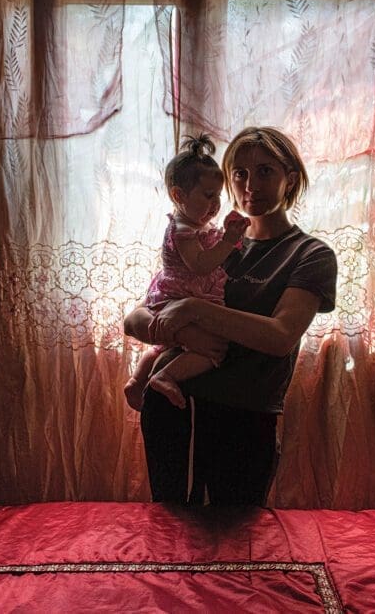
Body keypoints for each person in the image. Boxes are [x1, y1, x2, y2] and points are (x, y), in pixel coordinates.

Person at [123, 126, 337, 506]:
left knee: (237, 545)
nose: (250, 184)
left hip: (244, 419)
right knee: (170, 536)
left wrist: (193, 311)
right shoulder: (211, 242)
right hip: (173, 407)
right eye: (239, 173)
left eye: (266, 171)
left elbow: (280, 336)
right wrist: (163, 327)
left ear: (291, 177)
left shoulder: (310, 255)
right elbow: (138, 319)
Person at [122, 135, 250, 412]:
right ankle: (164, 376)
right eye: (208, 195)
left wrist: (229, 236)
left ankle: (137, 379)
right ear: (179, 196)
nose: (216, 204)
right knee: (212, 351)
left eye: (218, 195)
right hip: (181, 296)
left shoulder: (196, 225)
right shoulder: (183, 230)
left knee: (162, 346)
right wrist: (228, 242)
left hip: (177, 297)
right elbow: (201, 265)